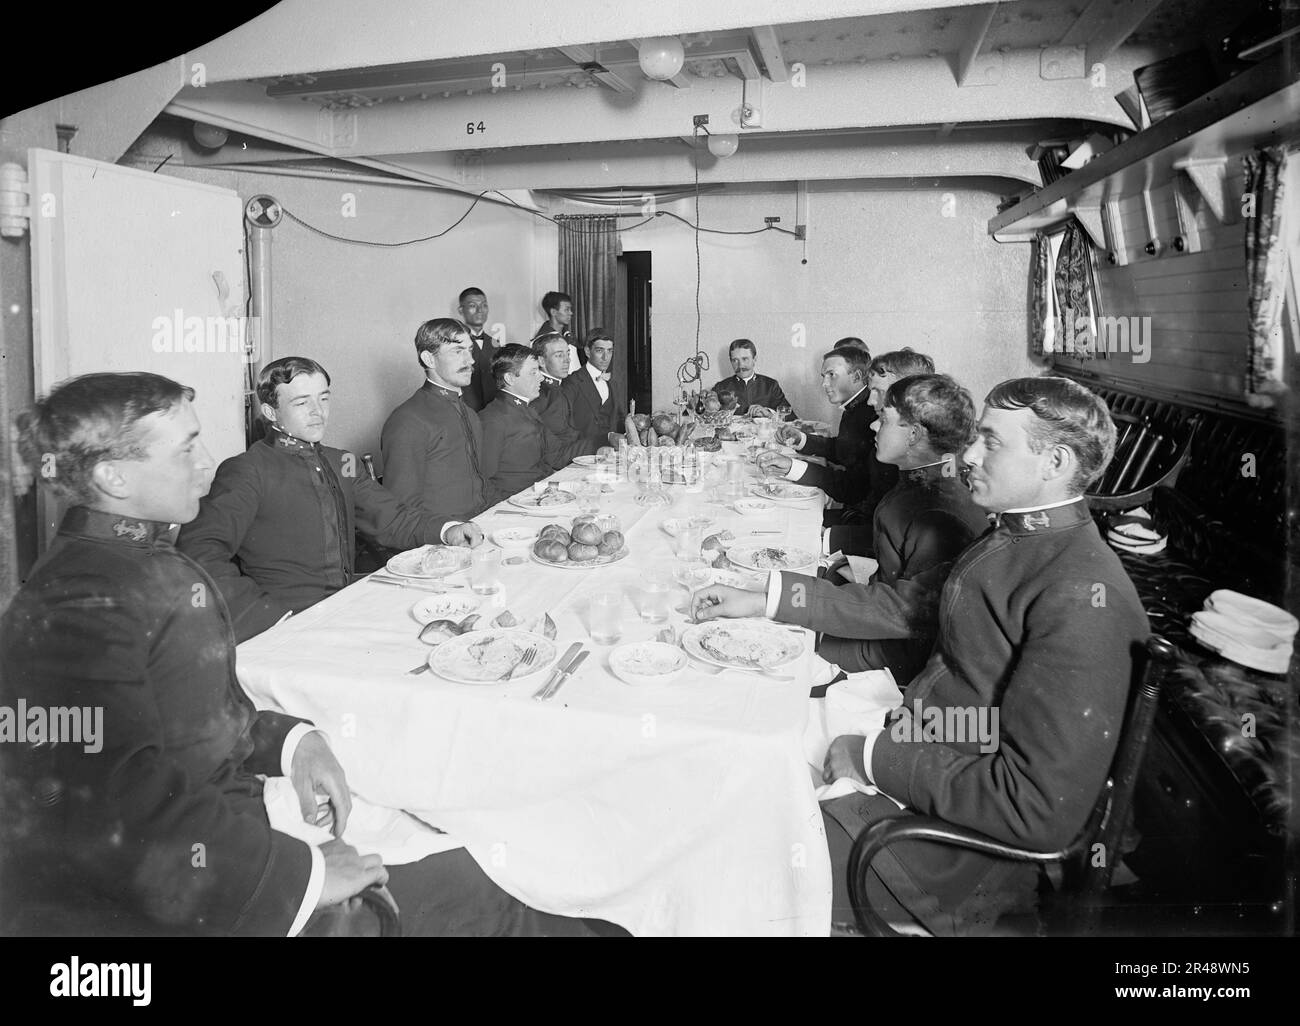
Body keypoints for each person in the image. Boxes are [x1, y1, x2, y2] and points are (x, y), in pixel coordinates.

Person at [1, 372, 615, 937]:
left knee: (480, 837)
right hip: (210, 878)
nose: (205, 463)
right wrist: (307, 876)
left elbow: (188, 721)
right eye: (185, 448)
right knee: (489, 894)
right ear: (114, 477)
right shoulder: (79, 603)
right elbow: (117, 809)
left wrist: (292, 741)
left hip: (232, 819)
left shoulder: (136, 560)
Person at [708, 376, 1148, 934]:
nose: (968, 454)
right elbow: (905, 605)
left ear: (1054, 461)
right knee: (736, 767)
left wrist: (875, 758)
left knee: (733, 859)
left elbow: (1037, 810)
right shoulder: (1016, 541)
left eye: (992, 442)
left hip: (956, 852)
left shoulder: (1080, 594)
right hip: (924, 754)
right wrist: (763, 598)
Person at [704, 374, 987, 687]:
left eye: (884, 418)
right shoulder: (918, 483)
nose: (873, 426)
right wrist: (768, 596)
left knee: (749, 658)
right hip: (879, 631)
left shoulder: (938, 511)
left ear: (914, 435)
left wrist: (770, 603)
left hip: (895, 664)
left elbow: (902, 617)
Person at [176, 357, 482, 643]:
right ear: (271, 413)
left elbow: (391, 518)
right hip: (287, 628)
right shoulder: (247, 470)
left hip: (344, 609)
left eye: (323, 398)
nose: (317, 411)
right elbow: (197, 554)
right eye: (301, 402)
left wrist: (448, 529)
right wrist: (266, 616)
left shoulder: (342, 461)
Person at [381, 318, 491, 521]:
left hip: (482, 521)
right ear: (429, 359)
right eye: (458, 351)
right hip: (441, 538)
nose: (470, 360)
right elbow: (401, 510)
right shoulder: (408, 420)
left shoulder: (469, 412)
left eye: (470, 350)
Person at [480, 344, 584, 498]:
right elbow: (483, 479)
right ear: (509, 378)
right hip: (515, 503)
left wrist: (604, 441)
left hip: (539, 493)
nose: (541, 377)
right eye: (533, 372)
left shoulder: (528, 410)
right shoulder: (493, 418)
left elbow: (558, 455)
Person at [562, 327, 625, 454]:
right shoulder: (572, 382)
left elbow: (619, 419)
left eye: (609, 351)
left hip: (611, 455)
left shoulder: (613, 383)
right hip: (582, 455)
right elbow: (565, 426)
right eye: (599, 350)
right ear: (587, 351)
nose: (605, 357)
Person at [531, 331, 591, 458]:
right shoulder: (538, 394)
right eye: (559, 355)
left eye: (567, 354)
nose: (567, 360)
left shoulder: (561, 386)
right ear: (541, 361)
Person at [711, 339, 795, 418]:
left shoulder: (770, 385)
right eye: (735, 360)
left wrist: (768, 413)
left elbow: (790, 417)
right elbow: (708, 419)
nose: (740, 365)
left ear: (754, 359)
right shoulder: (720, 387)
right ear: (731, 361)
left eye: (745, 359)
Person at [457, 287, 499, 412]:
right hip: (465, 412)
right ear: (461, 310)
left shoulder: (496, 343)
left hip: (493, 413)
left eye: (484, 305)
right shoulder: (453, 343)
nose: (480, 310)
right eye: (472, 305)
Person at [532, 290, 581, 374]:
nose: (571, 313)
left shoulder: (568, 336)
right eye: (566, 310)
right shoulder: (542, 340)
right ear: (553, 312)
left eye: (570, 309)